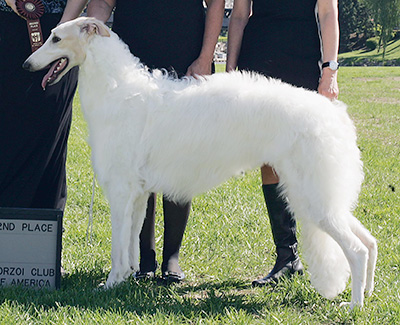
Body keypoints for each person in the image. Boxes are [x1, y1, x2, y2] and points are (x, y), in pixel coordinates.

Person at [62, 0, 225, 282]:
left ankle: (171, 258)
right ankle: (144, 258)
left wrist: (205, 57)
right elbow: (102, 2)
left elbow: (216, 4)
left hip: (184, 52)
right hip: (130, 57)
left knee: (177, 155)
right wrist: (90, 30)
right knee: (134, 159)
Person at [227, 0, 340, 286]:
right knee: (270, 156)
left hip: (302, 55)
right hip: (258, 58)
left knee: (309, 156)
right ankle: (287, 257)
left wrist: (330, 71)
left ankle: (326, 252)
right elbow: (239, 15)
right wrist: (230, 71)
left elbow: (328, 12)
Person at [0, 0, 81, 210]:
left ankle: (43, 229)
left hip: (59, 31)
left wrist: (63, 31)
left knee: (48, 134)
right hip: (7, 26)